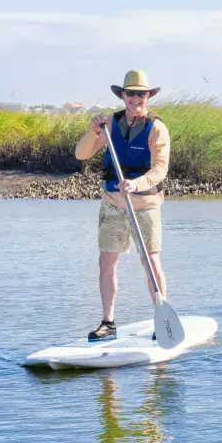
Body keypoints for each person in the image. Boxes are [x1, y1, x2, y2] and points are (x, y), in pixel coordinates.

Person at [75, 69, 171, 342]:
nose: (135, 99)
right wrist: (94, 131)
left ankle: (162, 319)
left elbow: (160, 169)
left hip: (145, 205)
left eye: (141, 94)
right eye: (131, 93)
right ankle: (108, 322)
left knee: (151, 261)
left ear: (148, 96)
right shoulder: (110, 124)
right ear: (123, 96)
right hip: (113, 204)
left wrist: (136, 184)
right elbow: (81, 154)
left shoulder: (157, 128)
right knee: (106, 262)